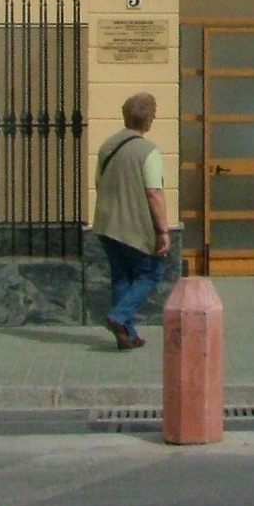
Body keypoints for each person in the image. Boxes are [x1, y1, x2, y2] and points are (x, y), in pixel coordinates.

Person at [93, 92, 171, 350]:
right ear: (149, 120)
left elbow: (98, 182)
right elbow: (154, 193)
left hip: (105, 224)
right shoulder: (148, 152)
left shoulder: (107, 146)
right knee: (152, 272)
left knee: (121, 277)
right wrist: (163, 231)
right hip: (134, 228)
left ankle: (127, 335)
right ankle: (118, 317)